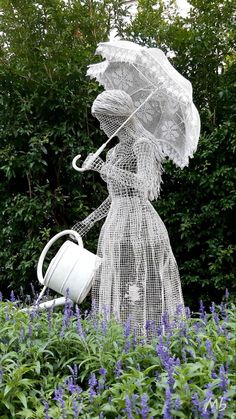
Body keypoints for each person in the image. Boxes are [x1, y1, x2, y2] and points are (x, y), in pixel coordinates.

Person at [73, 89, 184, 337]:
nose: (101, 126)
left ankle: (151, 336)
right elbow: (115, 195)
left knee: (142, 277)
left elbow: (145, 186)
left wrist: (103, 168)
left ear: (117, 116)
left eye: (104, 120)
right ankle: (122, 336)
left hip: (142, 224)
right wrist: (88, 221)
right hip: (116, 224)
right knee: (120, 278)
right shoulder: (113, 151)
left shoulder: (142, 145)